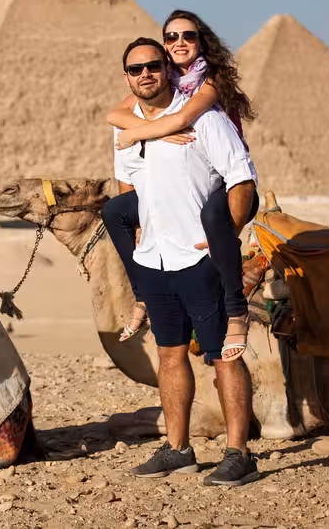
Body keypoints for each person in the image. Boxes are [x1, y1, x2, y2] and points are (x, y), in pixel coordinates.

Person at [114, 37, 261, 486]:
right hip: (154, 258)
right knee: (169, 353)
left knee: (224, 356)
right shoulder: (125, 128)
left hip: (197, 258)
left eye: (153, 66)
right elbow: (126, 185)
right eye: (136, 69)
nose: (145, 75)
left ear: (168, 68)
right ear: (127, 77)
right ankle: (177, 449)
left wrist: (224, 237)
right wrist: (139, 234)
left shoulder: (205, 118)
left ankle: (239, 453)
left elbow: (242, 178)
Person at [103, 10, 257, 361]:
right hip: (173, 177)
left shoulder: (210, 81)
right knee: (114, 210)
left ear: (202, 41)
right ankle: (141, 292)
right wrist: (152, 130)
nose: (179, 43)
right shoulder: (164, 77)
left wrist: (156, 130)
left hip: (226, 183)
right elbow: (115, 114)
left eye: (188, 36)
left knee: (214, 217)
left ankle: (236, 310)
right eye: (171, 37)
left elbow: (185, 118)